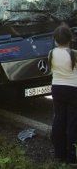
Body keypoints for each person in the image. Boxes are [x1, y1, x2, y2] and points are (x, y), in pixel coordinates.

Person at [49, 24, 77, 164]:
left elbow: (51, 70)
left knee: (59, 119)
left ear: (55, 40)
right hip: (73, 89)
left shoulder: (51, 53)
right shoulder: (74, 54)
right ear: (70, 39)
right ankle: (72, 157)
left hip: (57, 88)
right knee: (73, 122)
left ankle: (59, 154)